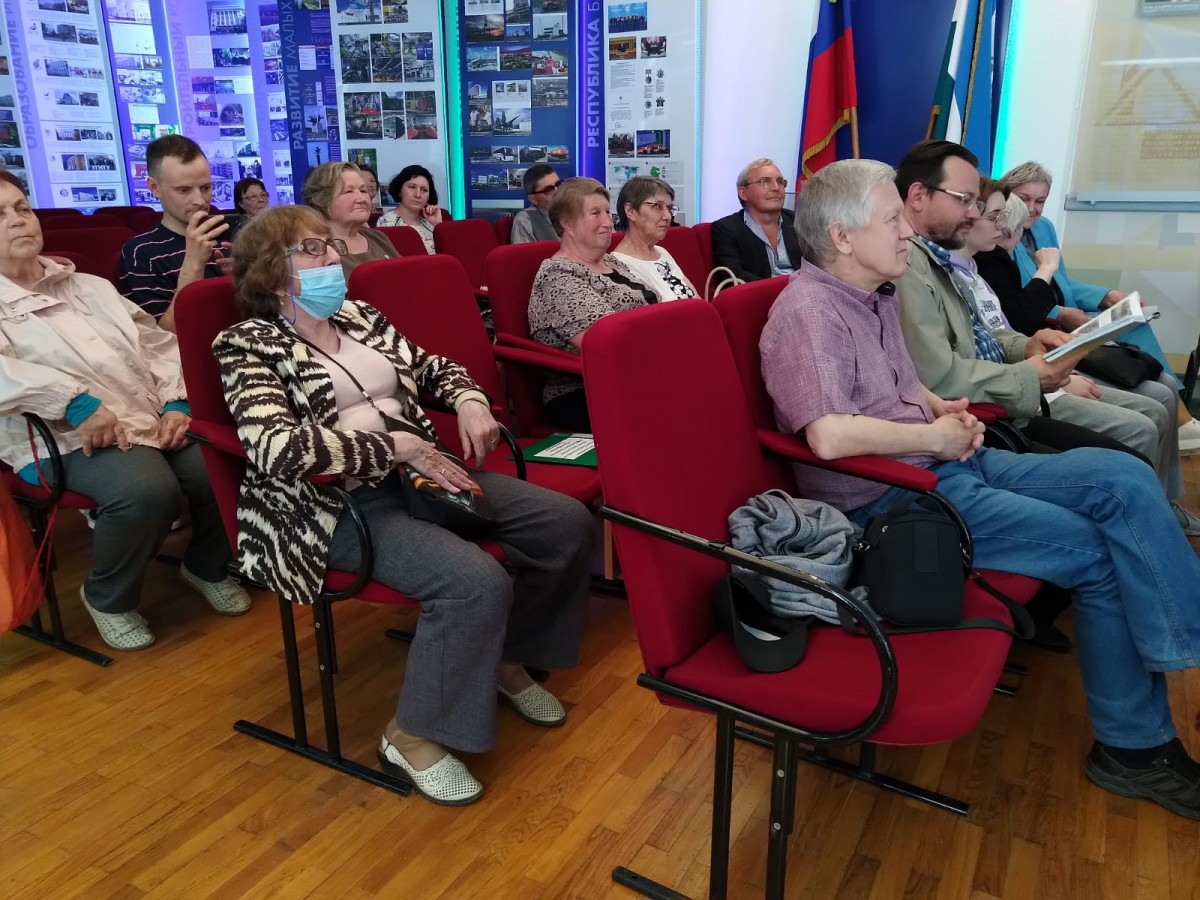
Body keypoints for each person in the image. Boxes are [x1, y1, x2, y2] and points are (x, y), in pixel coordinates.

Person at [761, 158, 1200, 821]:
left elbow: (903, 385)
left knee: (1124, 477)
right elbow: (827, 436)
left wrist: (941, 410)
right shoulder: (809, 312)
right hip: (892, 500)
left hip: (945, 464)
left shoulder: (873, 294)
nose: (907, 231)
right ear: (843, 237)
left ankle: (1182, 645)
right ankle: (1134, 749)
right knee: (1097, 552)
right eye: (891, 220)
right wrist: (932, 437)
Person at [215, 205, 593, 805]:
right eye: (312, 249)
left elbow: (432, 366)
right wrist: (397, 446)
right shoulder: (245, 344)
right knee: (475, 582)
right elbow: (277, 447)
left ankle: (504, 657)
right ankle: (410, 735)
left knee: (564, 523)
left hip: (422, 475)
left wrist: (469, 400)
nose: (332, 256)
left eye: (328, 244)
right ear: (269, 274)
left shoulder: (359, 315)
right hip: (334, 506)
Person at [0, 171, 250, 651]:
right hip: (56, 436)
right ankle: (107, 597)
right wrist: (72, 401)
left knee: (226, 461)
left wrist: (178, 401)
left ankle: (205, 565)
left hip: (144, 417)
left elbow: (155, 345)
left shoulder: (89, 286)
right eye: (0, 214)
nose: (17, 220)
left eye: (22, 208)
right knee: (145, 489)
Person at [892, 141, 1182, 479]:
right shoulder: (911, 266)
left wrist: (1026, 345)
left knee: (1134, 451)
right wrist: (1032, 373)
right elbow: (941, 376)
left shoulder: (943, 260)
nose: (974, 214)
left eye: (977, 204)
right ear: (917, 197)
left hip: (997, 403)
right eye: (964, 200)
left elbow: (982, 332)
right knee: (1127, 468)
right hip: (981, 420)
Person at [958, 176, 1198, 528]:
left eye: (1041, 200)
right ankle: (1146, 520)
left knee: (1154, 375)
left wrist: (1097, 298)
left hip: (1039, 355)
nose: (1027, 213)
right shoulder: (980, 264)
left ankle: (1161, 498)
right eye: (999, 217)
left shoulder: (988, 261)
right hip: (1028, 372)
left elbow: (1018, 321)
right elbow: (1016, 321)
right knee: (1148, 415)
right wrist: (1052, 353)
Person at [1000, 161, 1200, 452]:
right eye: (1024, 199)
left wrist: (1107, 295)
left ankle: (1181, 417)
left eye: (1040, 201)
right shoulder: (1002, 235)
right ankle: (1180, 422)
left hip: (1064, 312)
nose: (1032, 209)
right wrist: (1061, 313)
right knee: (1148, 382)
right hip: (1043, 326)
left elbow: (1062, 282)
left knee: (1136, 321)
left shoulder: (1045, 227)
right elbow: (1016, 304)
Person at [528, 178, 657, 431]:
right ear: (567, 223)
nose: (608, 222)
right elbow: (607, 343)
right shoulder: (558, 276)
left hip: (639, 374)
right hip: (584, 391)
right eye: (595, 213)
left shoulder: (611, 261)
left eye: (607, 212)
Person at [118, 135, 231, 332]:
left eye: (205, 188)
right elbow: (161, 336)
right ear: (155, 187)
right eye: (184, 190)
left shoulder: (229, 238)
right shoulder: (141, 252)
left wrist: (242, 282)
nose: (199, 200)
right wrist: (193, 264)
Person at [710, 158, 802, 282]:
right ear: (743, 193)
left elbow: (820, 263)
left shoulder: (798, 220)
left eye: (780, 182)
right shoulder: (726, 229)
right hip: (761, 292)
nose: (776, 187)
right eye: (765, 181)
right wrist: (776, 288)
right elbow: (732, 275)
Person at [301, 161, 398, 278]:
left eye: (363, 191)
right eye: (349, 191)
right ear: (323, 200)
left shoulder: (379, 238)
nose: (361, 199)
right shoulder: (315, 249)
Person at [611, 176, 698, 301]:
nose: (668, 216)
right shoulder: (620, 265)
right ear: (630, 211)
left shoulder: (661, 252)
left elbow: (696, 299)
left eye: (669, 209)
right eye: (658, 206)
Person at [376, 165, 442, 253]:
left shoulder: (430, 224)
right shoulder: (386, 223)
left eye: (424, 190)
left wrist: (437, 225)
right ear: (399, 190)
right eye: (412, 187)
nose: (418, 195)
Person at [511, 164, 561, 244]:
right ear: (533, 199)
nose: (558, 191)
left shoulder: (574, 209)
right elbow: (524, 252)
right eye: (549, 190)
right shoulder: (525, 220)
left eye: (558, 184)